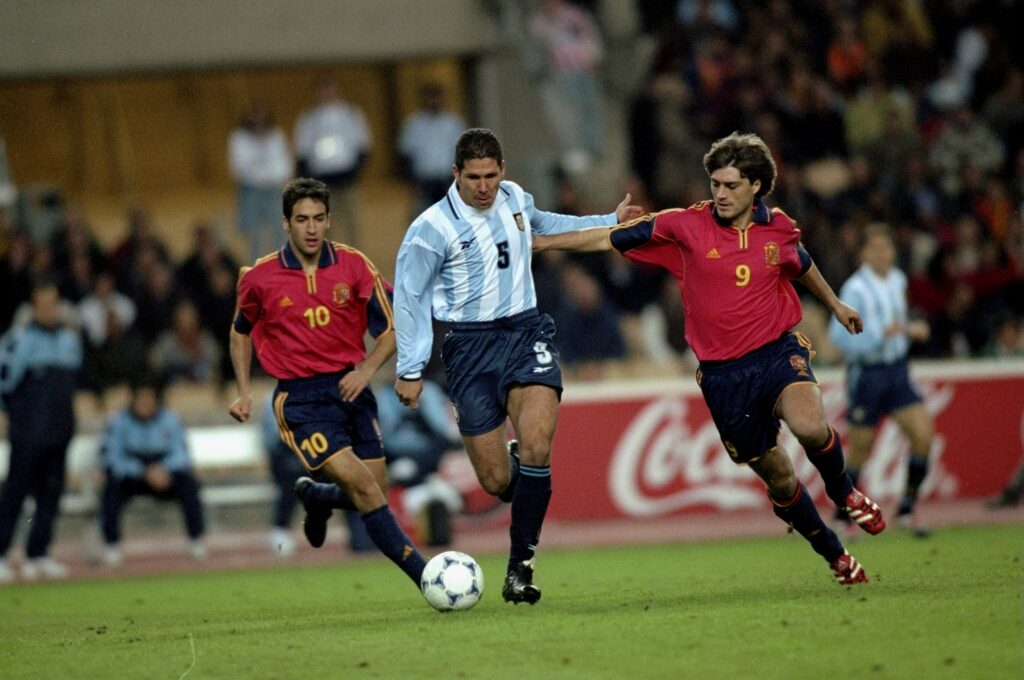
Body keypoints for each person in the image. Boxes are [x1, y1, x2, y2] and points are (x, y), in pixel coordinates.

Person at [533, 131, 886, 585]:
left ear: (756, 186)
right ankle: (835, 555)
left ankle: (846, 493)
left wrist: (835, 304)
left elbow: (799, 260)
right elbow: (609, 238)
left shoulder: (777, 226)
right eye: (715, 183)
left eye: (731, 185)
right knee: (779, 478)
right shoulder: (684, 227)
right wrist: (545, 244)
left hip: (778, 351)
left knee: (810, 425)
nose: (719, 193)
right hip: (724, 377)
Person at [392, 127, 641, 604]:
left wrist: (609, 219)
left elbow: (547, 225)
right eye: (473, 178)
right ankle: (513, 472)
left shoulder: (513, 198)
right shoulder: (431, 229)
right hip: (468, 347)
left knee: (538, 446)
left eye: (490, 175)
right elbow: (409, 298)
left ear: (502, 171)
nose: (483, 186)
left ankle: (518, 569)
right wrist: (411, 366)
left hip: (526, 334)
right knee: (496, 481)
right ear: (455, 175)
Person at [229, 177, 427, 592]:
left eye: (319, 218)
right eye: (302, 219)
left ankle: (318, 498)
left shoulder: (354, 265)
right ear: (286, 223)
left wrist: (366, 369)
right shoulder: (260, 277)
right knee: (364, 488)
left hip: (352, 390)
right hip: (301, 400)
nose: (312, 228)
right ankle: (427, 577)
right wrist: (244, 391)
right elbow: (240, 330)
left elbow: (391, 330)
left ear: (329, 220)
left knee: (376, 488)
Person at [828, 224, 935, 538]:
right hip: (868, 374)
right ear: (863, 254)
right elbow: (841, 339)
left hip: (897, 371)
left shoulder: (898, 280)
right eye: (874, 248)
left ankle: (906, 509)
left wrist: (910, 328)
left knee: (923, 435)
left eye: (886, 248)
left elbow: (896, 324)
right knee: (861, 450)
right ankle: (841, 516)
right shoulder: (854, 289)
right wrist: (879, 337)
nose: (882, 254)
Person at [0, 278, 82, 583]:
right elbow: (4, 380)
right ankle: (1, 552)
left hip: (59, 429)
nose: (50, 310)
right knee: (15, 492)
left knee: (51, 494)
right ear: (32, 307)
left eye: (53, 304)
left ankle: (38, 554)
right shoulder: (18, 340)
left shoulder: (70, 340)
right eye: (43, 305)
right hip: (27, 430)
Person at [97, 376, 207, 566]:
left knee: (189, 484)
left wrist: (162, 469)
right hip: (133, 475)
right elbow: (112, 458)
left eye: (149, 399)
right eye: (140, 399)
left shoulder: (170, 419)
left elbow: (181, 454)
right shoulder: (118, 422)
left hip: (164, 473)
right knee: (111, 488)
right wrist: (143, 471)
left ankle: (196, 541)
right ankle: (112, 546)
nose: (145, 404)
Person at [293, 79, 371, 249]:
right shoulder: (309, 118)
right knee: (324, 221)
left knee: (352, 220)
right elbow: (302, 149)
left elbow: (363, 143)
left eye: (330, 90)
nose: (326, 95)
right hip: (321, 178)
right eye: (322, 91)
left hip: (347, 175)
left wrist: (356, 169)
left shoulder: (350, 114)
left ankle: (355, 258)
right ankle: (328, 259)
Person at [228, 103, 293, 263]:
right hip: (250, 190)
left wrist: (267, 174)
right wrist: (260, 168)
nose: (258, 121)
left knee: (280, 229)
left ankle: (283, 265)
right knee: (252, 232)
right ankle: (254, 266)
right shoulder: (239, 138)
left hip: (273, 188)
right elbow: (239, 167)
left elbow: (284, 166)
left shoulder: (276, 136)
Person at [397, 83, 466, 218]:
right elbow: (405, 154)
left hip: (448, 179)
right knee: (424, 219)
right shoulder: (414, 124)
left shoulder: (453, 123)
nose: (433, 102)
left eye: (436, 98)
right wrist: (411, 182)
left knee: (453, 218)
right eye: (430, 98)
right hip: (423, 181)